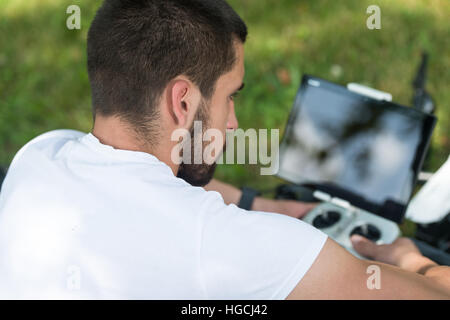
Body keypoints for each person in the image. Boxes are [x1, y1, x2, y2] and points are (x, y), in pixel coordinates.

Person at [0, 0, 448, 299]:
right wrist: (413, 261)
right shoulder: (222, 245)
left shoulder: (40, 156)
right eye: (230, 96)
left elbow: (151, 183)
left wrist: (265, 203)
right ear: (183, 101)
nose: (233, 122)